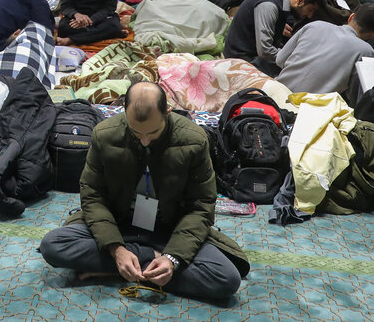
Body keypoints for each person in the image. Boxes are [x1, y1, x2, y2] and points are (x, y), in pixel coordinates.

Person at [38, 81, 248, 303]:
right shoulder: (105, 135)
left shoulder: (193, 140)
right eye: (136, 132)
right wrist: (117, 250)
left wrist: (172, 258)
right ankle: (143, 268)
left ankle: (122, 270)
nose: (145, 140)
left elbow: (201, 206)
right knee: (52, 245)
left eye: (153, 132)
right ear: (124, 112)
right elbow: (93, 196)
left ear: (167, 112)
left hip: (170, 229)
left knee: (226, 278)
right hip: (119, 224)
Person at [275, 2, 374, 96]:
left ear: (351, 17)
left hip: (276, 93)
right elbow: (357, 95)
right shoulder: (367, 53)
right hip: (310, 108)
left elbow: (280, 59)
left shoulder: (314, 25)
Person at [224, 0, 326, 75]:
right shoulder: (269, 6)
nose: (310, 15)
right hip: (241, 57)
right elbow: (265, 50)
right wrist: (292, 59)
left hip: (252, 51)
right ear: (300, 1)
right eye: (310, 10)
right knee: (296, 72)